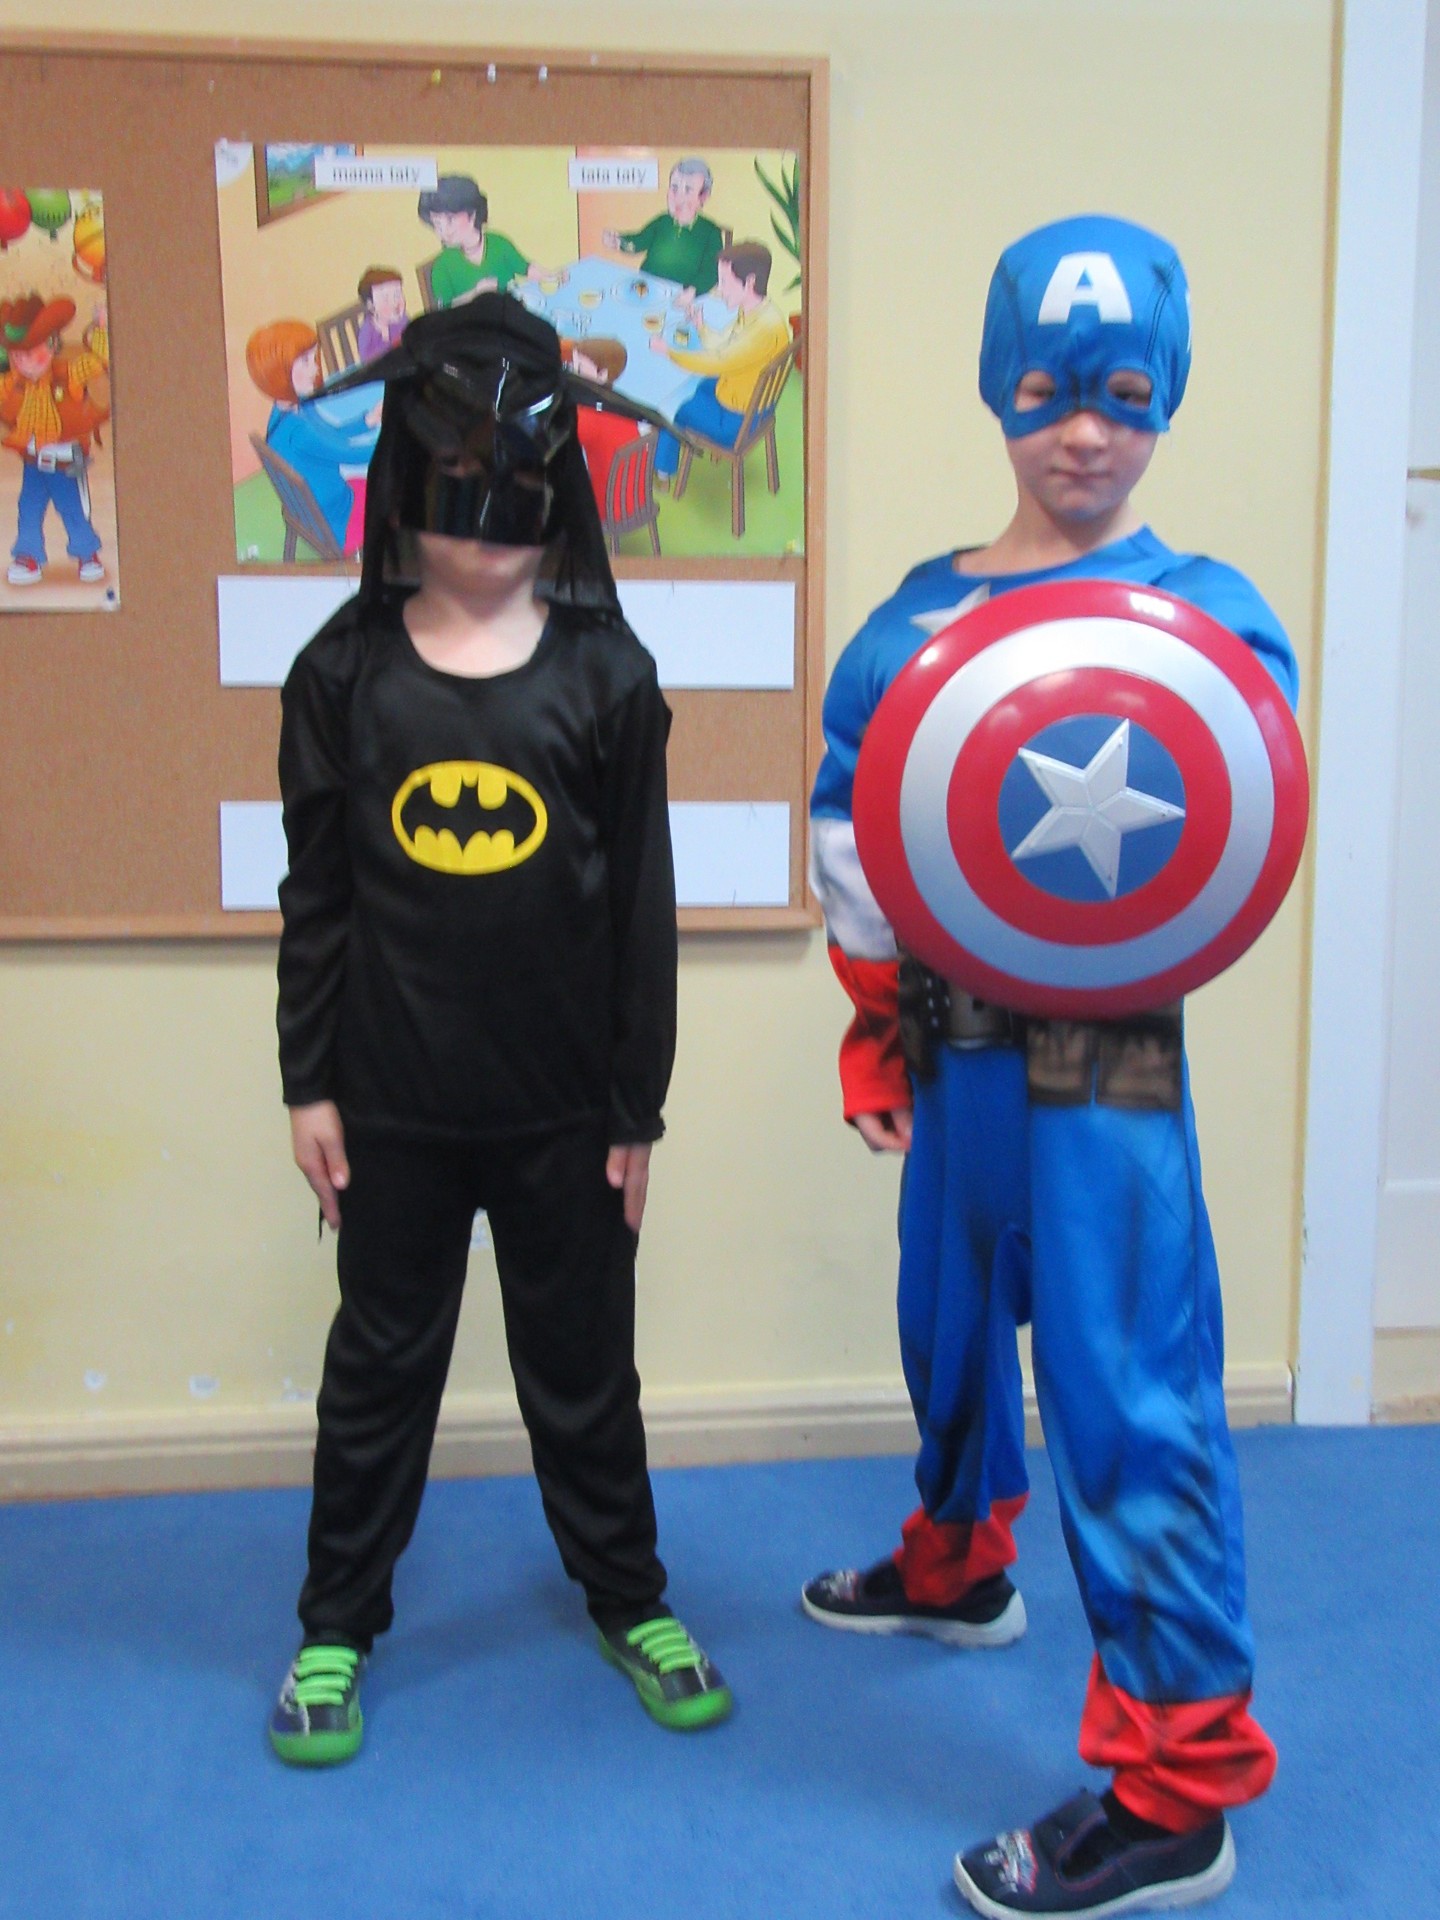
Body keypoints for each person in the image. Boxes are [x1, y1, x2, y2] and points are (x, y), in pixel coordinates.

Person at [804, 216, 1297, 1917]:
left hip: (1108, 1064)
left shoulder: (1206, 618)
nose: (1084, 432)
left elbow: (1236, 822)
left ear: (1165, 400)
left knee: (1128, 1391)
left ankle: (1178, 1786)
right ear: (996, 388)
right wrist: (876, 1022)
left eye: (1124, 396)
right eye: (1047, 391)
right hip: (952, 1045)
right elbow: (858, 827)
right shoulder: (917, 620)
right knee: (944, 1327)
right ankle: (956, 1565)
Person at [268, 294, 731, 1766]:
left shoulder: (607, 680)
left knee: (585, 1369)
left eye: (513, 482)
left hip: (563, 1112)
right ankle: (336, 1622)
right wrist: (307, 1082)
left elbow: (640, 907)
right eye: (458, 478)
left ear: (556, 487)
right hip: (392, 1104)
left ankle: (629, 1595)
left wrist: (636, 1104)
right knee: (379, 1370)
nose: (485, 517)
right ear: (411, 477)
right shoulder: (343, 676)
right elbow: (317, 897)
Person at [647, 242, 790, 483]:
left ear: (750, 282)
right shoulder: (760, 312)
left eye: (724, 282)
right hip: (749, 396)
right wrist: (701, 326)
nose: (719, 289)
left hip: (739, 419)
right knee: (694, 385)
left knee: (673, 406)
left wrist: (669, 352)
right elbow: (726, 343)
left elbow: (717, 360)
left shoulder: (763, 330)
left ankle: (662, 471)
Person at [0, 292, 109, 587]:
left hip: (62, 462)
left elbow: (96, 362)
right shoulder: (13, 383)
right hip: (33, 462)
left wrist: (101, 328)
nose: (24, 362)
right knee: (28, 508)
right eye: (17, 356)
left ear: (51, 344)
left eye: (30, 353)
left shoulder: (66, 373)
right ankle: (28, 555)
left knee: (71, 508)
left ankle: (87, 554)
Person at [245, 319, 375, 554]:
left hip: (317, 509)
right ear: (279, 373)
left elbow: (330, 436)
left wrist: (367, 420)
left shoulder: (284, 411)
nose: (315, 369)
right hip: (339, 522)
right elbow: (353, 454)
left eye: (313, 359)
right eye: (305, 362)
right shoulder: (298, 433)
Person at [417, 175, 548, 307]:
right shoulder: (442, 265)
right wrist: (476, 293)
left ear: (472, 214)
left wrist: (550, 277)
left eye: (450, 220)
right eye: (438, 224)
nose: (444, 231)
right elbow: (444, 309)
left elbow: (525, 268)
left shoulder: (499, 244)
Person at [603, 158, 725, 298]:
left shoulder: (711, 232)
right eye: (674, 187)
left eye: (687, 190)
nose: (677, 196)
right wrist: (619, 242)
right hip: (646, 288)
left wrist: (692, 291)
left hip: (681, 295)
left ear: (703, 197)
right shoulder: (662, 221)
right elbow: (639, 241)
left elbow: (711, 272)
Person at [559, 336, 648, 522]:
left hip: (606, 506)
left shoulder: (590, 417)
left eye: (579, 369)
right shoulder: (619, 404)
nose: (573, 374)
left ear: (602, 375)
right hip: (636, 497)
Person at [355, 266, 409, 362]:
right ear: (370, 305)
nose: (395, 302)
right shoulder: (367, 333)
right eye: (385, 298)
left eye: (397, 295)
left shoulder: (402, 320)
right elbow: (369, 363)